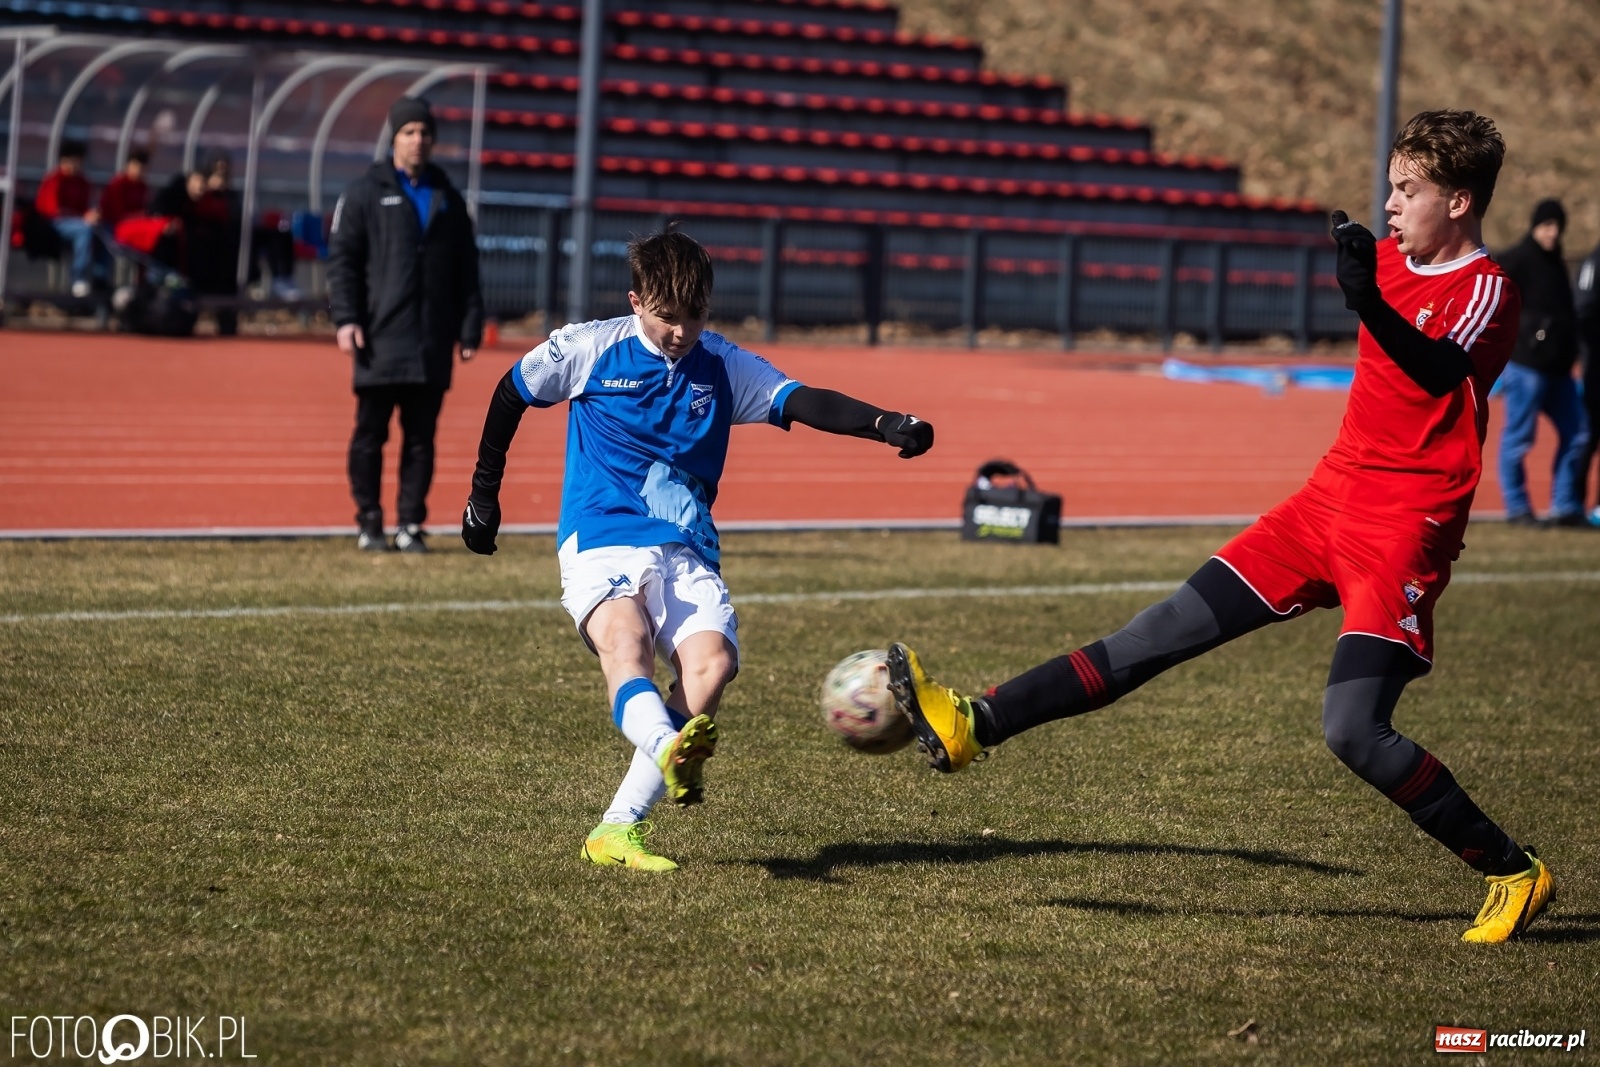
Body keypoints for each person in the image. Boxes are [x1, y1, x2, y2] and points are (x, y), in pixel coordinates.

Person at [887, 109, 1555, 944]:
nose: (1388, 204)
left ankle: (1512, 869)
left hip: (1401, 527)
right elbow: (1382, 311)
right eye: (1389, 187)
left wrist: (1368, 301)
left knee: (1352, 729)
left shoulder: (1487, 289)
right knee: (1158, 629)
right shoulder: (1388, 262)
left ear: (1458, 202)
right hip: (1324, 501)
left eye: (1407, 190)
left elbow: (1437, 370)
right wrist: (1366, 282)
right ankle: (972, 723)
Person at [459, 228, 935, 872]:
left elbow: (800, 399)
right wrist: (483, 494)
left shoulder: (722, 365)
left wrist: (883, 423)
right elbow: (510, 394)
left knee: (712, 666)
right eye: (667, 317)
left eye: (696, 315)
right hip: (601, 536)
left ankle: (615, 831)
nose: (683, 331)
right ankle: (667, 747)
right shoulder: (588, 348)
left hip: (686, 548)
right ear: (636, 302)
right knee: (625, 643)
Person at [329, 96, 483, 552]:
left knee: (421, 439)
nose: (418, 140)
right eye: (409, 132)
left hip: (430, 340)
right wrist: (346, 319)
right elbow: (342, 263)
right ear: (394, 138)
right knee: (369, 434)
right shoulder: (363, 193)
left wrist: (469, 325)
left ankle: (410, 524)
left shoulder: (448, 198)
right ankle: (369, 521)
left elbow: (466, 269)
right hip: (379, 336)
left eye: (424, 132)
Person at [1495, 198, 1589, 526]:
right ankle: (1517, 508)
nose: (1552, 233)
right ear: (1535, 226)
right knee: (1520, 437)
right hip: (1526, 366)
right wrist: (1526, 333)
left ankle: (1565, 507)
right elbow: (1496, 300)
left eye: (1557, 227)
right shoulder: (1517, 259)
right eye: (1547, 226)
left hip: (1559, 370)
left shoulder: (1556, 263)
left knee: (1578, 433)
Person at [35, 140, 108, 297]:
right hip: (53, 226)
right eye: (74, 161)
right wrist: (83, 217)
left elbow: (86, 208)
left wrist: (93, 214)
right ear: (64, 161)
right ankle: (77, 278)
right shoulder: (54, 180)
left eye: (79, 161)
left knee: (103, 232)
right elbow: (52, 211)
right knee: (84, 230)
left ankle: (100, 278)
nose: (77, 165)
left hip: (76, 224)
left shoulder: (83, 182)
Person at [1575, 237, 1600, 524]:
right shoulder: (1595, 261)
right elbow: (1583, 310)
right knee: (1587, 436)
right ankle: (1574, 504)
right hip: (1596, 366)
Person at [98, 150, 150, 232]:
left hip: (133, 223)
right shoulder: (118, 184)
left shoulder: (142, 186)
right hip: (112, 224)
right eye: (135, 166)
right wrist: (138, 216)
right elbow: (117, 214)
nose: (138, 171)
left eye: (142, 168)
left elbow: (142, 208)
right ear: (127, 166)